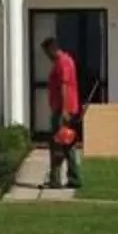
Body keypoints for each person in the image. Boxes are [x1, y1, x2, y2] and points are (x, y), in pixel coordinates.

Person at [40, 34, 84, 192]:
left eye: (46, 53)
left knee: (58, 145)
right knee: (67, 145)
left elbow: (65, 86)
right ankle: (73, 178)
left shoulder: (63, 62)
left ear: (51, 50)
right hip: (62, 109)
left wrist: (64, 111)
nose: (47, 57)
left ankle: (56, 179)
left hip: (63, 110)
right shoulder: (63, 61)